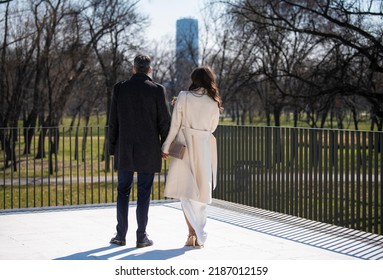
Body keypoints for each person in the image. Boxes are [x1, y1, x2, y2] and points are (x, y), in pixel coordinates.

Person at [108, 54, 171, 247]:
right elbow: (164, 123)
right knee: (144, 193)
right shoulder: (158, 90)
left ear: (133, 68)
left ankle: (120, 236)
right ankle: (141, 236)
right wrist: (165, 146)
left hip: (124, 149)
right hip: (148, 150)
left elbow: (113, 122)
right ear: (150, 70)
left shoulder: (120, 88)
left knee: (123, 191)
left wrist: (112, 148)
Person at [161, 66, 223, 248]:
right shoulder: (214, 102)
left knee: (185, 191)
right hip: (203, 147)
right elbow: (212, 128)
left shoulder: (183, 97)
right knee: (201, 192)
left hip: (185, 146)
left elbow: (175, 125)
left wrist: (166, 145)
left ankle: (192, 234)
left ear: (194, 79)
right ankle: (199, 232)